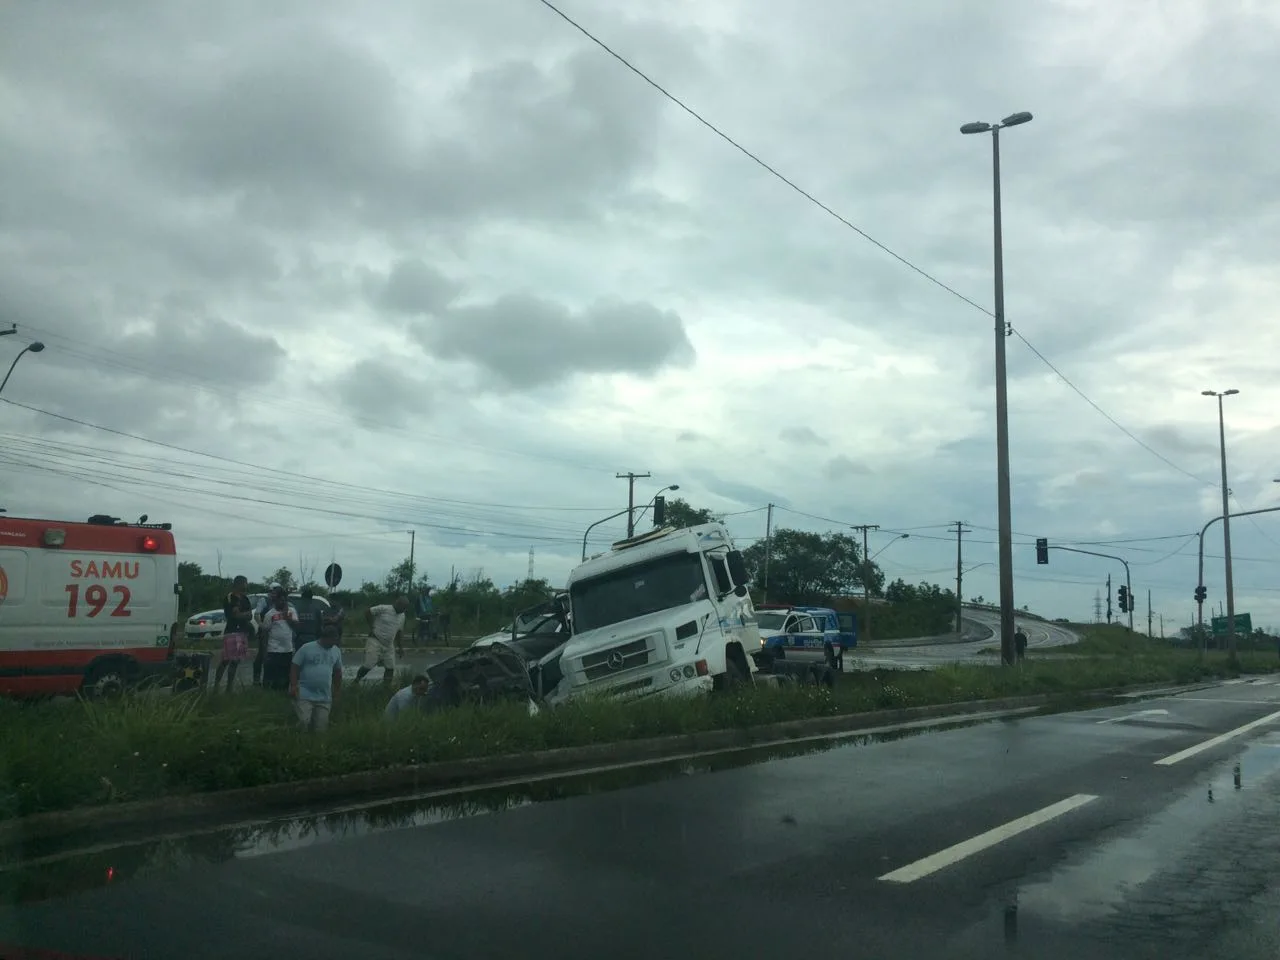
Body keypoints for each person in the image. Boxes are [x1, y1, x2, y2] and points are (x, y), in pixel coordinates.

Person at [290, 624, 343, 732]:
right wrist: (294, 685)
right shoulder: (307, 648)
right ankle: (298, 741)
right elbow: (295, 667)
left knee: (321, 728)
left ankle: (317, 746)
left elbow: (338, 672)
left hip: (324, 696)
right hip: (304, 693)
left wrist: (337, 691)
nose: (334, 643)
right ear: (325, 638)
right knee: (304, 722)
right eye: (333, 640)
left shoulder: (336, 651)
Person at [214, 575, 255, 693]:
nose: (247, 585)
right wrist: (244, 615)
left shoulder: (245, 599)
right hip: (232, 631)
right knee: (226, 659)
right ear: (239, 584)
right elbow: (235, 615)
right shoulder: (230, 597)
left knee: (236, 660)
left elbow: (249, 615)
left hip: (242, 631)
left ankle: (229, 687)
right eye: (245, 583)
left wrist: (243, 615)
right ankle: (216, 685)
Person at [357, 596, 408, 685]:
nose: (403, 610)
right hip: (375, 640)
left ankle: (386, 687)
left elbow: (399, 632)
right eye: (402, 607)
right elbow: (368, 612)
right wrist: (371, 626)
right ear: (397, 603)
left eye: (405, 608)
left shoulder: (402, 616)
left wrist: (400, 648)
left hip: (389, 645)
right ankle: (356, 680)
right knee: (368, 665)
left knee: (390, 668)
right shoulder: (384, 608)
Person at [259, 591, 299, 690]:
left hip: (287, 650)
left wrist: (287, 617)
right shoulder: (270, 614)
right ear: (275, 601)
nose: (283, 602)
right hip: (273, 650)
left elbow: (296, 626)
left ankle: (283, 695)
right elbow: (265, 633)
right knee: (271, 677)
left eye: (284, 600)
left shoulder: (292, 611)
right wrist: (264, 652)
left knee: (285, 677)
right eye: (280, 600)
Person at [252, 583, 284, 685]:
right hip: (265, 632)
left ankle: (271, 678)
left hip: (277, 632)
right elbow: (257, 614)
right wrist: (261, 625)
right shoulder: (264, 600)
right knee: (262, 655)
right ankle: (257, 679)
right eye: (272, 592)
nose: (273, 594)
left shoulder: (281, 602)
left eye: (276, 592)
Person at [293, 585, 326, 652]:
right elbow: (320, 625)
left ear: (302, 597)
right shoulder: (316, 609)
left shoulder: (296, 608)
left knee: (299, 659)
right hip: (312, 638)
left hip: (300, 638)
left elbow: (293, 624)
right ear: (311, 598)